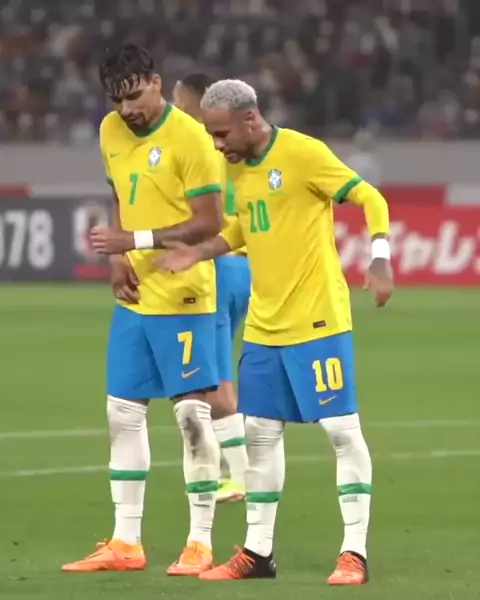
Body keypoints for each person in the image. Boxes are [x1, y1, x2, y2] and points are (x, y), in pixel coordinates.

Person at [158, 79, 394, 584]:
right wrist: (199, 251)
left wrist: (380, 258)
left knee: (340, 431)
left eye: (222, 133)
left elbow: (370, 198)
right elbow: (246, 225)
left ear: (250, 119)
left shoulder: (304, 153)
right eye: (211, 134)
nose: (217, 144)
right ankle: (257, 553)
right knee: (260, 435)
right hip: (264, 325)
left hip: (317, 319)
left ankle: (354, 552)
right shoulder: (234, 166)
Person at [62, 44, 224, 577]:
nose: (126, 109)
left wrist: (135, 240)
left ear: (156, 82)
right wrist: (119, 259)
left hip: (183, 292)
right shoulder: (111, 130)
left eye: (134, 96)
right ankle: (125, 542)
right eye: (117, 100)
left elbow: (211, 222)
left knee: (191, 416)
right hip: (135, 296)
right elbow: (119, 196)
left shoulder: (191, 138)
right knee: (123, 413)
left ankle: (200, 541)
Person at [173, 73, 250, 503]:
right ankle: (235, 473)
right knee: (216, 376)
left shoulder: (201, 148)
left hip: (218, 267)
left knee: (215, 381)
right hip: (241, 266)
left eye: (178, 102)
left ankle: (240, 476)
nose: (174, 109)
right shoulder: (235, 149)